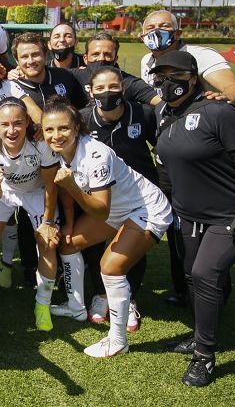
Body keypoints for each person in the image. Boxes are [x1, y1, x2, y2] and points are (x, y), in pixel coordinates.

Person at [152, 50, 235, 387]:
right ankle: (201, 333)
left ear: (193, 77)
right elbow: (167, 166)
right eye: (161, 75)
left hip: (228, 215)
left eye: (176, 75)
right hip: (189, 216)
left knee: (205, 273)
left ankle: (204, 355)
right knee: (191, 275)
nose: (167, 82)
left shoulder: (219, 111)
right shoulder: (165, 115)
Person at [42, 97, 172, 358]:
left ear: (77, 128)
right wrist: (68, 223)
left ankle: (118, 339)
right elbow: (73, 189)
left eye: (63, 128)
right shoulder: (65, 151)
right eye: (49, 130)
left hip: (146, 209)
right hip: (117, 208)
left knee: (110, 267)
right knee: (68, 244)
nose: (56, 136)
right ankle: (75, 306)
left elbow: (99, 209)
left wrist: (70, 186)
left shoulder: (96, 155)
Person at [79, 67, 158, 330]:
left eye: (113, 87)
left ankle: (130, 297)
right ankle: (101, 294)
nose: (107, 93)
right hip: (99, 195)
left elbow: (163, 145)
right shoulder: (82, 120)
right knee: (93, 246)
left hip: (138, 196)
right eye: (100, 88)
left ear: (123, 88)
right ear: (90, 92)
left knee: (131, 246)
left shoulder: (143, 113)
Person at [0, 98, 60, 332]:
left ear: (27, 123)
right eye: (4, 124)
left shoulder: (41, 145)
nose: (11, 130)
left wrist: (48, 222)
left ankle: (42, 305)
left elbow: (51, 187)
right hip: (6, 192)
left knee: (47, 245)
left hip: (36, 193)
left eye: (17, 123)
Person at [138, 9, 235, 105]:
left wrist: (224, 101)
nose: (157, 31)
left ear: (178, 33)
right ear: (142, 38)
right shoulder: (146, 61)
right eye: (150, 28)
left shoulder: (201, 55)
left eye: (164, 26)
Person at [10, 32, 87, 110]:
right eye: (24, 57)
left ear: (46, 55)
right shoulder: (11, 87)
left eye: (35, 54)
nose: (31, 61)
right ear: (17, 60)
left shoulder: (65, 76)